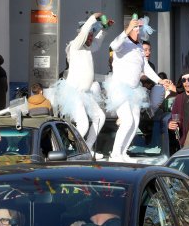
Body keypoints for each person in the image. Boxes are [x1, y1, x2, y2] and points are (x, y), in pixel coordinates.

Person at [104, 16, 166, 162]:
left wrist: (159, 80)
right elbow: (113, 45)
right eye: (136, 28)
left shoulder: (139, 46)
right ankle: (115, 154)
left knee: (135, 121)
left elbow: (146, 67)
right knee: (127, 120)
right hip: (119, 89)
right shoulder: (123, 43)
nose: (138, 31)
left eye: (139, 28)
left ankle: (123, 152)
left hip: (134, 90)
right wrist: (127, 29)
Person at [53, 13, 110, 150]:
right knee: (83, 123)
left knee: (100, 117)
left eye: (92, 35)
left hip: (84, 93)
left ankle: (87, 147)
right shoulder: (76, 45)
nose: (91, 38)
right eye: (89, 35)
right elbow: (85, 32)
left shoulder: (88, 47)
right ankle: (69, 151)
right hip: (73, 93)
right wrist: (94, 16)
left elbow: (98, 40)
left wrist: (105, 28)